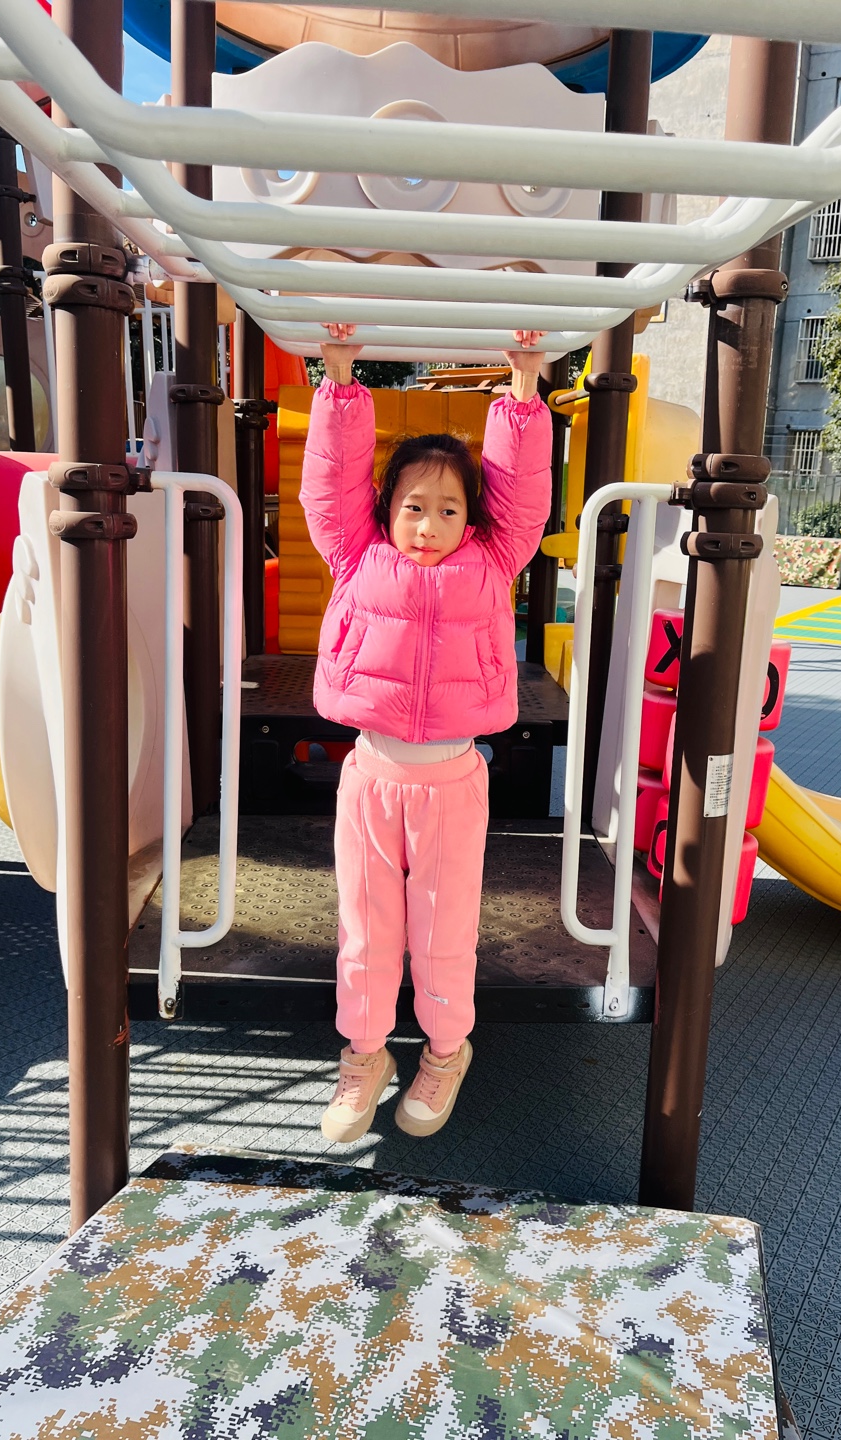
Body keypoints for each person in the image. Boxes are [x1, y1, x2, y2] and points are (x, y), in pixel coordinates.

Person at [301, 323, 552, 1143]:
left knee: (444, 929)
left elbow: (523, 496)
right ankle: (365, 1052)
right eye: (414, 507)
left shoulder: (494, 561)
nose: (428, 525)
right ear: (388, 510)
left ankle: (445, 1050)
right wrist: (341, 383)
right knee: (367, 926)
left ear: (472, 520)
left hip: (451, 780)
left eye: (449, 510)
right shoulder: (355, 553)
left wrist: (522, 396)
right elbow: (330, 484)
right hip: (372, 774)